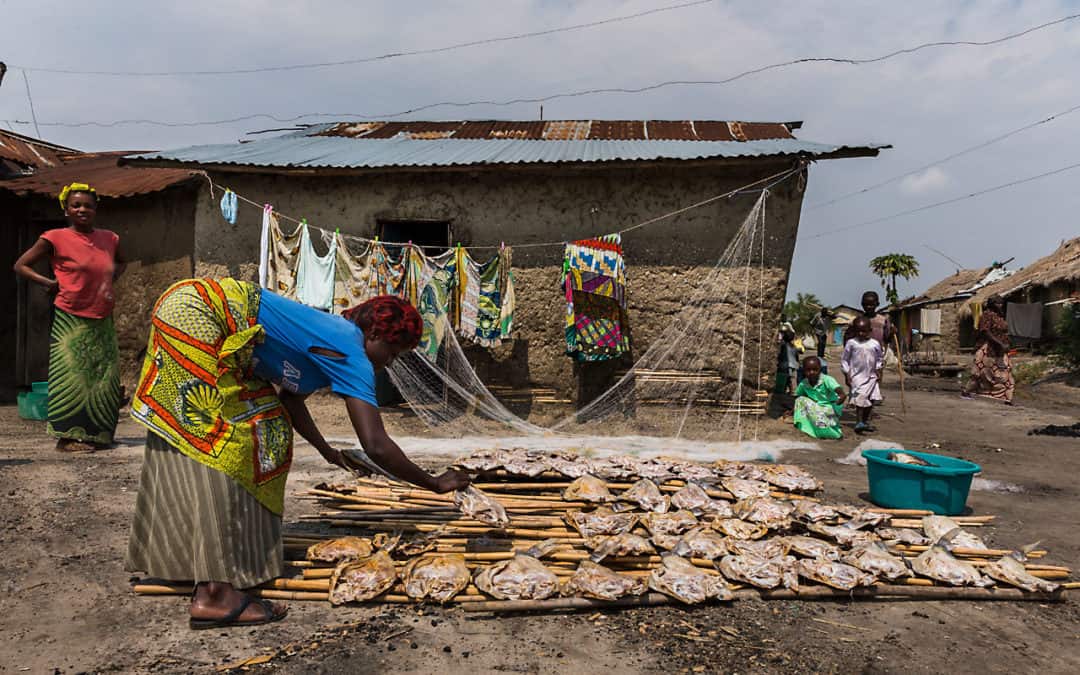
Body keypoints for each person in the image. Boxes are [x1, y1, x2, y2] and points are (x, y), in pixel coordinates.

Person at [124, 280, 471, 629]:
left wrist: (327, 451)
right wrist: (433, 482)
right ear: (376, 333)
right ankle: (214, 593)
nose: (388, 363)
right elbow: (376, 444)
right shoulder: (352, 351)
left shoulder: (331, 337)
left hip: (196, 305)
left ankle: (196, 563)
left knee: (267, 424)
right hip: (201, 313)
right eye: (393, 353)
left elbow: (290, 402)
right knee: (229, 441)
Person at [13, 182, 126, 451]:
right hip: (70, 315)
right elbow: (20, 265)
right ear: (66, 210)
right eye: (76, 205)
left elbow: (121, 262)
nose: (82, 209)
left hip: (102, 315)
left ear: (96, 209)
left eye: (88, 205)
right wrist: (48, 283)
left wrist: (110, 279)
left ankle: (98, 436)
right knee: (71, 378)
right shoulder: (54, 237)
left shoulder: (109, 239)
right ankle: (67, 438)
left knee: (103, 376)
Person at [961, 294, 1014, 404]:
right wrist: (1000, 343)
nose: (1000, 305)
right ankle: (968, 391)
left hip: (1000, 349)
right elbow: (985, 331)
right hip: (988, 348)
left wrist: (1006, 343)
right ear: (991, 304)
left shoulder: (999, 316)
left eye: (1001, 303)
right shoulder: (986, 315)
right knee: (980, 372)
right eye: (997, 303)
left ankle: (1006, 398)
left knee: (1005, 372)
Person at [842, 316, 884, 433]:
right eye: (858, 331)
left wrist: (878, 369)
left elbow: (879, 358)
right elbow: (845, 359)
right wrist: (847, 374)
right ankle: (859, 421)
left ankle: (865, 422)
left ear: (869, 331)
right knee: (860, 399)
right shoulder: (851, 343)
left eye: (864, 331)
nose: (861, 333)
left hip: (871, 376)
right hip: (857, 377)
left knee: (871, 399)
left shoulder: (874, 344)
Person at [792, 355, 846, 439]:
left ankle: (833, 434)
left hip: (830, 407)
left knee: (819, 419)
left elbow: (841, 393)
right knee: (800, 400)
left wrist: (839, 401)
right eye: (808, 370)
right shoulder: (804, 383)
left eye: (815, 369)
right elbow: (798, 395)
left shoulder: (827, 380)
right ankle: (807, 428)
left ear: (820, 369)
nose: (811, 372)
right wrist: (793, 410)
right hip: (816, 407)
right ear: (804, 371)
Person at [776, 328, 802, 395]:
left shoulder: (783, 346)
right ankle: (790, 390)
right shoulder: (794, 347)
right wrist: (797, 363)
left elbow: (780, 355)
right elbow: (796, 356)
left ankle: (786, 390)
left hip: (785, 365)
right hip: (793, 365)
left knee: (784, 378)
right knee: (789, 378)